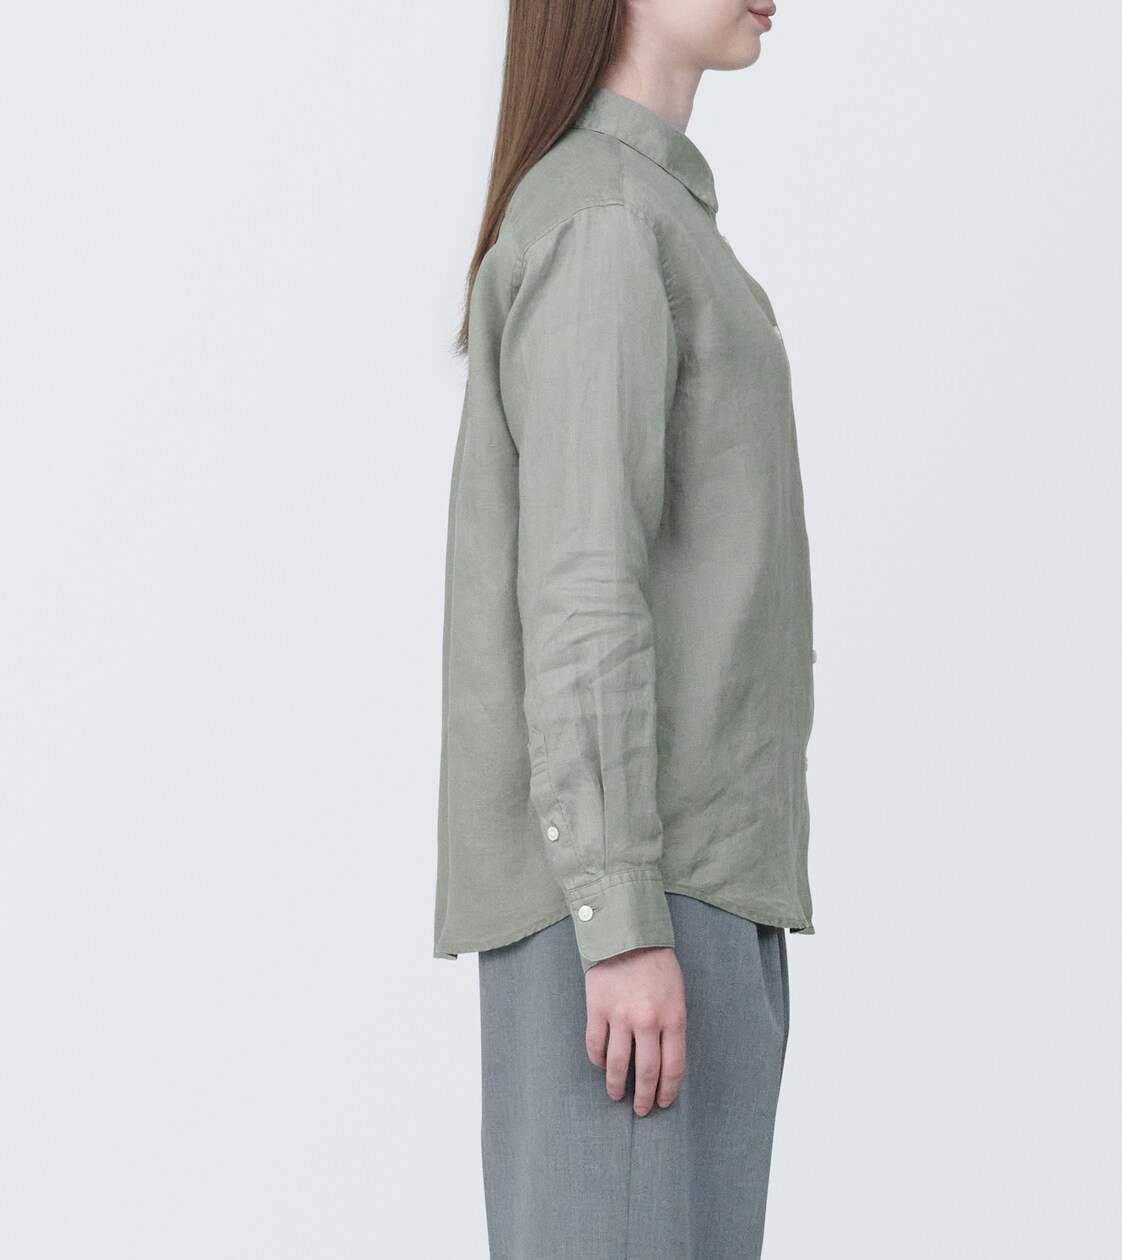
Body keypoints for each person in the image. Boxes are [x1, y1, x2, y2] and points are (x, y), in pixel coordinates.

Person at [434, 2, 815, 1255]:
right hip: (637, 907)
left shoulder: (651, 213)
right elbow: (583, 587)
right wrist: (620, 917)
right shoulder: (605, 219)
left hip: (689, 895)